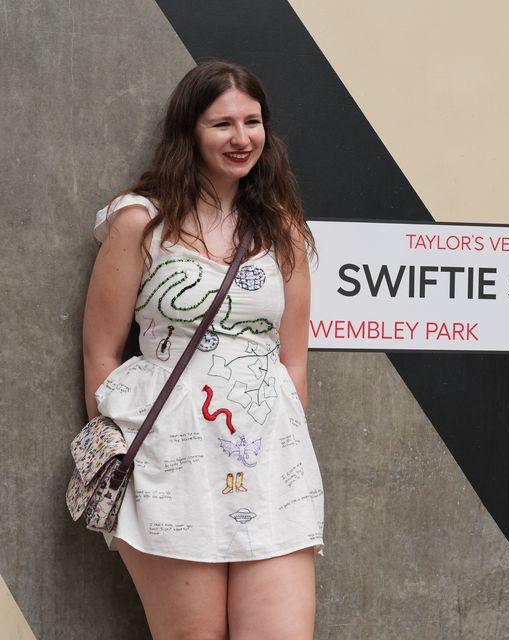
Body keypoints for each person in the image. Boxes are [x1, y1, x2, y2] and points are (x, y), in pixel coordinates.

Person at [82, 61, 323, 639]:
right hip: (168, 460)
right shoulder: (141, 222)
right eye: (222, 124)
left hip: (267, 461)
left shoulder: (280, 227)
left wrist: (279, 441)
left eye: (253, 122)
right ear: (190, 131)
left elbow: (293, 359)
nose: (242, 139)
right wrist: (118, 451)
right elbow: (100, 352)